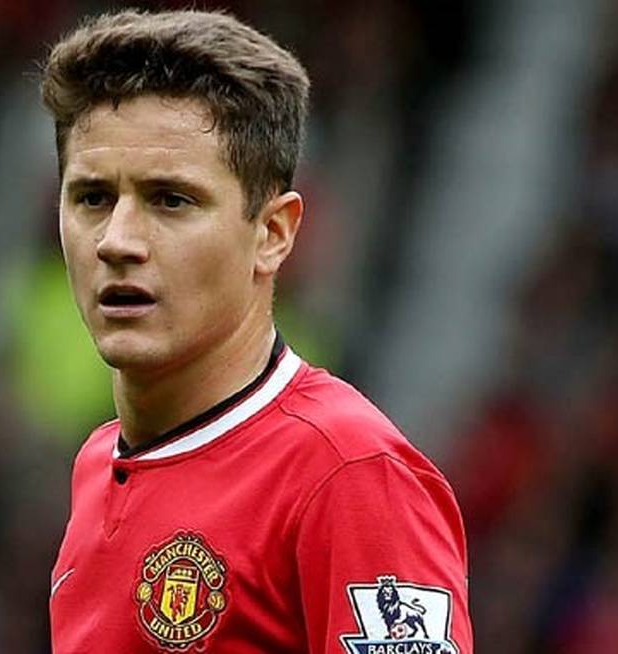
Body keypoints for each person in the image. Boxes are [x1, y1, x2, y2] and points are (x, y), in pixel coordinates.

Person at [41, 9, 472, 654]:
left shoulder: (349, 475)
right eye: (93, 198)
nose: (117, 241)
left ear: (273, 234)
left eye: (171, 200)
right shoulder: (98, 466)